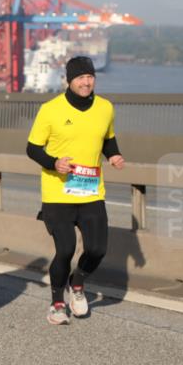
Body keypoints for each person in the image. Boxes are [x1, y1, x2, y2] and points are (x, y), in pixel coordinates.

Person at [27, 56, 124, 325]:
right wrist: (54, 163)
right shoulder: (50, 109)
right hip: (58, 193)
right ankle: (58, 304)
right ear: (69, 80)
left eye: (90, 76)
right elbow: (32, 148)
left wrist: (114, 156)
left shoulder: (105, 108)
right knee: (66, 249)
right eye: (80, 77)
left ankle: (77, 283)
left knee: (97, 249)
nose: (86, 82)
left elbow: (108, 139)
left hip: (91, 191)